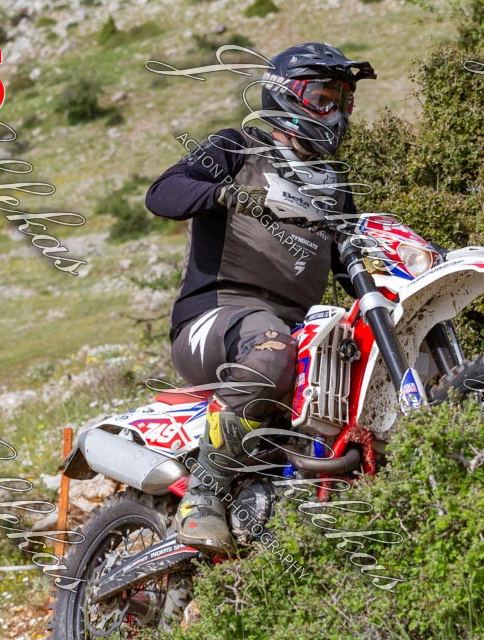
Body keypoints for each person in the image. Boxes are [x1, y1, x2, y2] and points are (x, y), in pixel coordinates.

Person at [145, 42, 375, 554]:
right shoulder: (236, 147)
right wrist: (223, 193)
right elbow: (161, 193)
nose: (336, 112)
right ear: (288, 96)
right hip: (214, 319)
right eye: (324, 98)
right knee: (271, 346)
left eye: (343, 101)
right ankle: (202, 496)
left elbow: (350, 262)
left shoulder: (335, 183)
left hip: (290, 328)